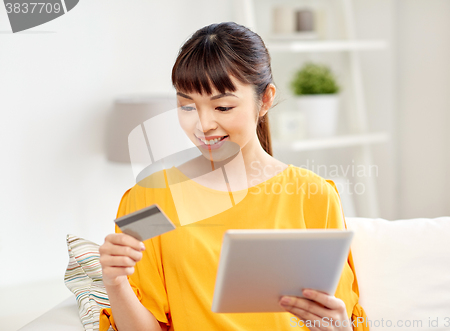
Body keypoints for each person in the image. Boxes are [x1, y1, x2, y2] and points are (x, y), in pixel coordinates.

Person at [99, 21, 369, 331]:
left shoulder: (312, 195)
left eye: (223, 107)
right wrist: (116, 283)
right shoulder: (152, 199)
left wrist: (338, 326)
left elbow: (340, 317)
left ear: (265, 99)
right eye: (187, 106)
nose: (203, 125)